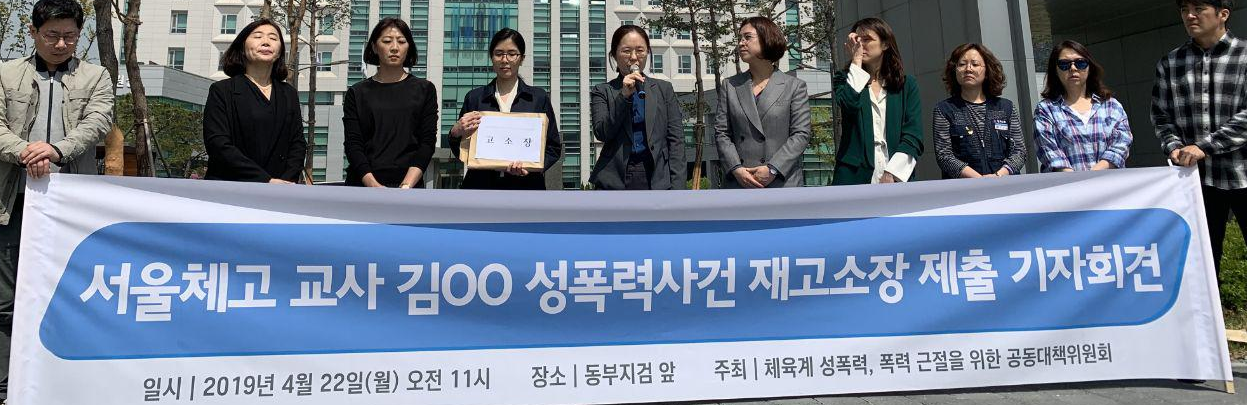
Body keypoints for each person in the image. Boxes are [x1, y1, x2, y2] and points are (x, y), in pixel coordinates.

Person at [0, 0, 114, 395]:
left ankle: (61, 382)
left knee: (69, 293)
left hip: (71, 204)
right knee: (6, 298)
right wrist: (26, 152)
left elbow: (98, 121)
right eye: (52, 35)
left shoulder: (96, 76)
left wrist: (57, 150)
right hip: (12, 202)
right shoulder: (5, 73)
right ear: (33, 32)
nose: (61, 44)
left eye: (70, 36)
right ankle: (5, 386)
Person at [1153, 0, 1247, 275]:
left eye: (1198, 9)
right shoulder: (1171, 63)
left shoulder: (1244, 56)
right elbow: (1161, 115)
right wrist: (1173, 146)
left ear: (1223, 14)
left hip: (1243, 173)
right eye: (1184, 10)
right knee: (1203, 261)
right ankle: (1214, 307)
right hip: (1196, 179)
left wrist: (1203, 146)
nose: (1190, 16)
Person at [448, 28, 560, 189]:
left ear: (522, 58)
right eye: (499, 53)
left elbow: (553, 147)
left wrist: (532, 167)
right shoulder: (475, 98)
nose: (505, 59)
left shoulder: (538, 98)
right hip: (480, 187)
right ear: (491, 57)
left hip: (526, 187)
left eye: (512, 54)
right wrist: (455, 132)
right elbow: (462, 150)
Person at [203, 19, 306, 183]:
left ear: (279, 52)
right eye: (258, 36)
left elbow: (297, 144)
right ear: (242, 48)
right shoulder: (222, 91)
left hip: (281, 188)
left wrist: (286, 181)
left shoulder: (289, 93)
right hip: (232, 186)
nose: (266, 42)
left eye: (273, 38)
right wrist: (265, 180)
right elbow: (218, 144)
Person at [714, 16, 812, 188]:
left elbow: (801, 134)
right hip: (740, 182)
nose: (741, 43)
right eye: (740, 38)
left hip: (782, 182)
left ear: (767, 39)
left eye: (747, 37)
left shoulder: (794, 86)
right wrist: (736, 168)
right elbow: (722, 133)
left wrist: (773, 169)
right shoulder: (730, 86)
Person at [343, 17, 437, 188]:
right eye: (387, 41)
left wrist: (407, 185)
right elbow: (353, 144)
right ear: (374, 47)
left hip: (409, 186)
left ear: (409, 47)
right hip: (364, 185)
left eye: (401, 41)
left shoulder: (425, 90)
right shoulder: (357, 92)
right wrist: (373, 185)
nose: (394, 47)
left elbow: (427, 142)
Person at [589, 25, 686, 190]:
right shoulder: (603, 91)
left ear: (647, 52)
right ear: (614, 54)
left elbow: (676, 140)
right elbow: (602, 133)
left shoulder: (663, 89)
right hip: (615, 178)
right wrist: (623, 96)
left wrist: (677, 187)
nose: (634, 57)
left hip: (656, 175)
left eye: (640, 50)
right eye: (626, 51)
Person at [832, 17, 923, 185]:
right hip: (853, 175)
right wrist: (856, 62)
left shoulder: (906, 84)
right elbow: (849, 104)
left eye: (867, 39)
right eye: (857, 40)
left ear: (885, 44)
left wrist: (893, 172)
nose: (860, 45)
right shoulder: (844, 79)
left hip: (896, 173)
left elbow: (913, 134)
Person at [1033, 40, 1132, 172]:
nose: (1073, 68)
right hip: (1067, 184)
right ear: (1055, 70)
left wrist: (1093, 175)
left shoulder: (1111, 106)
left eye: (1080, 63)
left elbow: (1121, 145)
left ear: (1090, 68)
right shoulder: (1045, 110)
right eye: (1064, 64)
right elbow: (1050, 154)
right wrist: (1081, 182)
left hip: (1110, 183)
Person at [932, 43, 1027, 179]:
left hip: (1004, 184)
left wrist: (999, 175)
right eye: (962, 64)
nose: (968, 69)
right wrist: (979, 180)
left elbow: (1019, 151)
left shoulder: (1006, 107)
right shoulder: (944, 110)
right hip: (964, 188)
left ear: (987, 71)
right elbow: (944, 156)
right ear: (955, 70)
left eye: (975, 64)